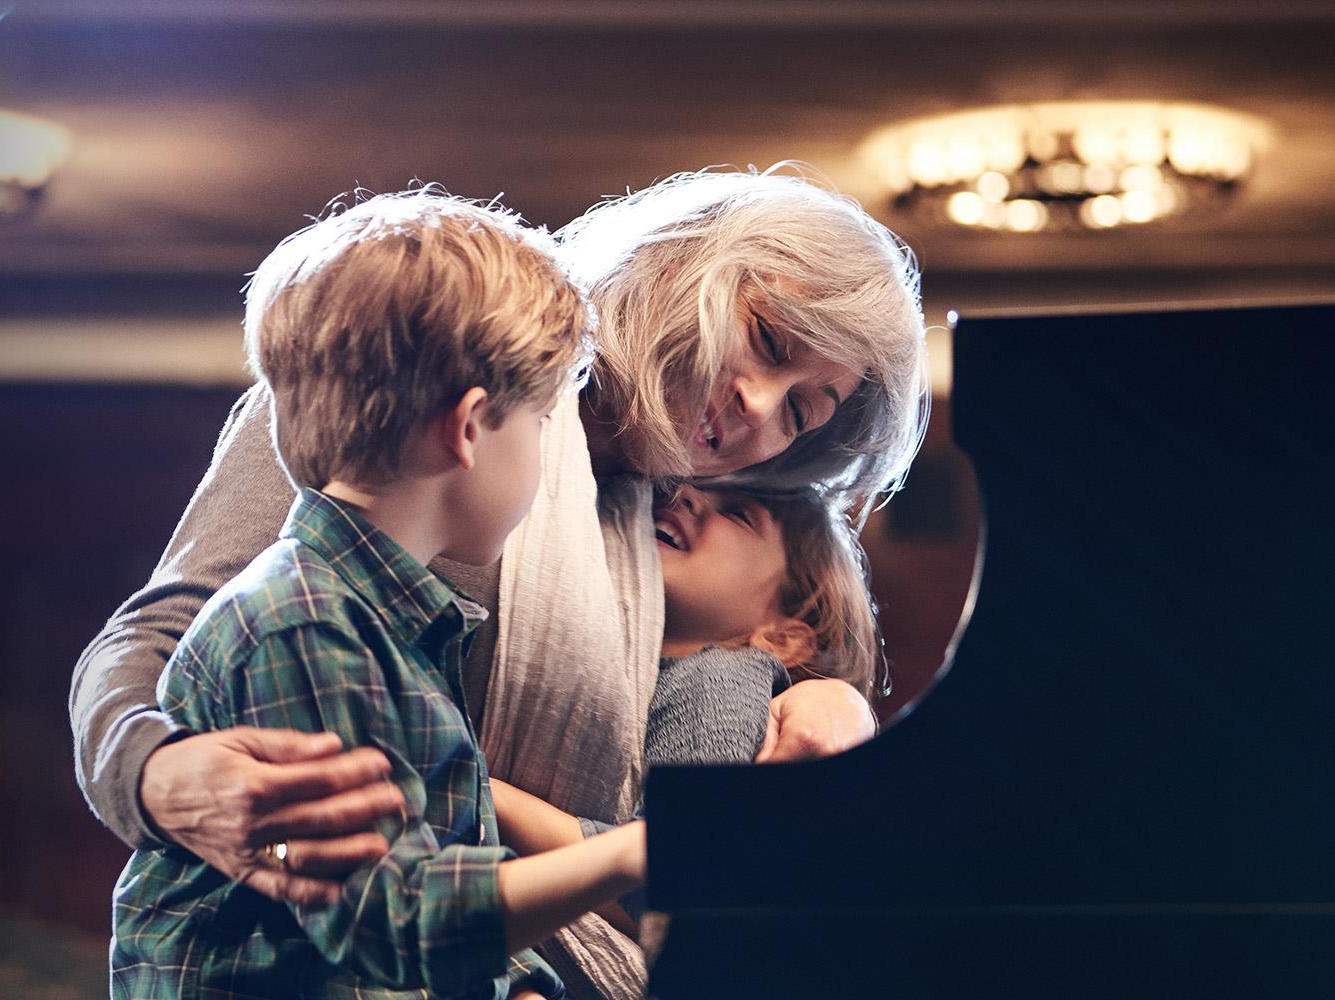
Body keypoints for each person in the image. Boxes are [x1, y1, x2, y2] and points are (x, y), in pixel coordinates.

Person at [72, 168, 930, 999]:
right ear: (681, 267)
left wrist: (829, 695)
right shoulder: (404, 371)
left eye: (801, 413)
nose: (759, 404)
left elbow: (761, 637)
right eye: (770, 343)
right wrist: (158, 774)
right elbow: (166, 637)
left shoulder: (670, 506)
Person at [111, 188, 636, 999]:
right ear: (468, 427)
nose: (543, 459)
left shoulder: (393, 622)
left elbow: (434, 862)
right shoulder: (302, 622)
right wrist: (643, 852)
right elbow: (396, 925)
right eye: (539, 425)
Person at [490, 484, 884, 937]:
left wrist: (481, 789)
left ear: (782, 638)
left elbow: (670, 875)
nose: (687, 494)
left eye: (738, 514)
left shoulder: (722, 676)